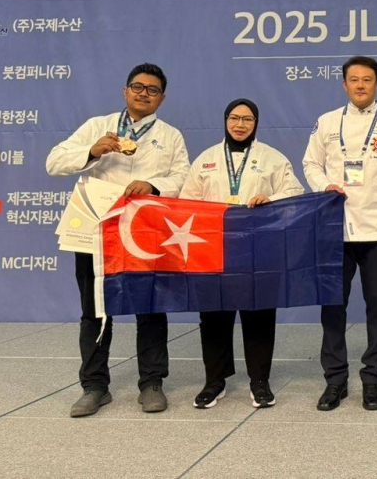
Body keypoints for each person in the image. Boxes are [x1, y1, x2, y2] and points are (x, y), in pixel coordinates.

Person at [46, 62, 189, 418]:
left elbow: (182, 177)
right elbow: (54, 162)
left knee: (150, 307)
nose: (144, 94)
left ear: (162, 98)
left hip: (145, 232)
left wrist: (154, 185)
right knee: (95, 309)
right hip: (95, 231)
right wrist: (93, 151)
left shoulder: (170, 135)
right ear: (125, 91)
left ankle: (152, 383)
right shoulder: (98, 126)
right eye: (137, 87)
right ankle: (94, 386)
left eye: (152, 90)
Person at [302, 56, 377, 412]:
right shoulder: (326, 122)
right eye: (354, 80)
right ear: (345, 85)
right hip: (335, 228)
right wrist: (325, 185)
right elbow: (310, 163)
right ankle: (335, 380)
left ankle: (372, 378)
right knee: (333, 307)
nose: (361, 85)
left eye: (367, 79)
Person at [179, 98, 304, 409]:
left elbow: (295, 193)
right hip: (213, 249)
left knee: (259, 315)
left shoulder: (273, 158)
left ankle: (260, 381)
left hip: (258, 249)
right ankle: (214, 381)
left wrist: (271, 198)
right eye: (234, 118)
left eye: (247, 119)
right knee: (213, 317)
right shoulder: (206, 159)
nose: (240, 124)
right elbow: (186, 201)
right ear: (225, 120)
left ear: (256, 123)